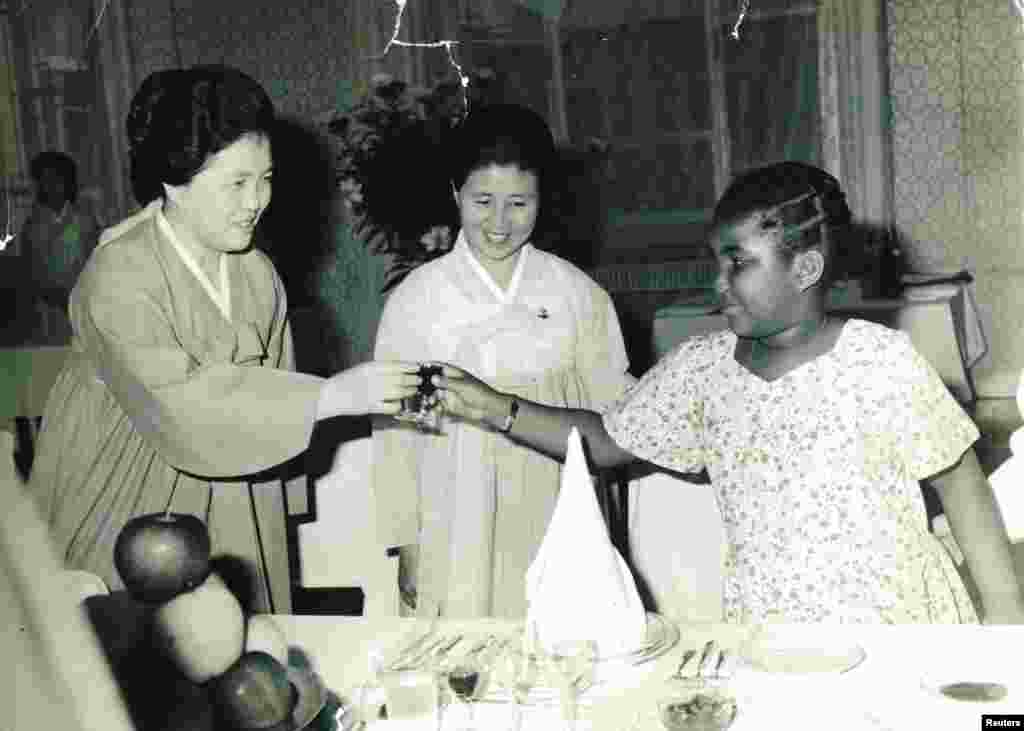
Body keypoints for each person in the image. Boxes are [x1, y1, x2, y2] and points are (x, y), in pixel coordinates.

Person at [436, 161, 1024, 624]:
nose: (718, 283)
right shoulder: (703, 369)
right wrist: (495, 407)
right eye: (717, 262)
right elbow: (605, 441)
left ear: (804, 269)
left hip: (895, 628)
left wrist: (1005, 622)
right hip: (769, 632)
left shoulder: (879, 361)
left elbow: (964, 491)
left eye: (737, 263)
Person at [27, 65, 426, 614]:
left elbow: (275, 404)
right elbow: (182, 404)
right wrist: (333, 397)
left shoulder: (258, 274)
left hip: (235, 492)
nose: (256, 201)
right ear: (174, 181)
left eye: (265, 178)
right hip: (125, 496)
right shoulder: (117, 273)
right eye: (236, 183)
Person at [371, 104, 635, 619]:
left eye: (518, 203)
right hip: (453, 515)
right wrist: (406, 541)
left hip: (558, 508)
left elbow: (615, 419)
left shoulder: (577, 294)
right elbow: (396, 434)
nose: (499, 222)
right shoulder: (417, 299)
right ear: (454, 193)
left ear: (542, 200)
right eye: (482, 201)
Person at [21, 151, 101, 342]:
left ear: (68, 182)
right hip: (50, 313)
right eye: (45, 180)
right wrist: (58, 298)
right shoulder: (32, 226)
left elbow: (97, 262)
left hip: (87, 307)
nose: (52, 186)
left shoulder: (85, 219)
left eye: (57, 179)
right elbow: (33, 274)